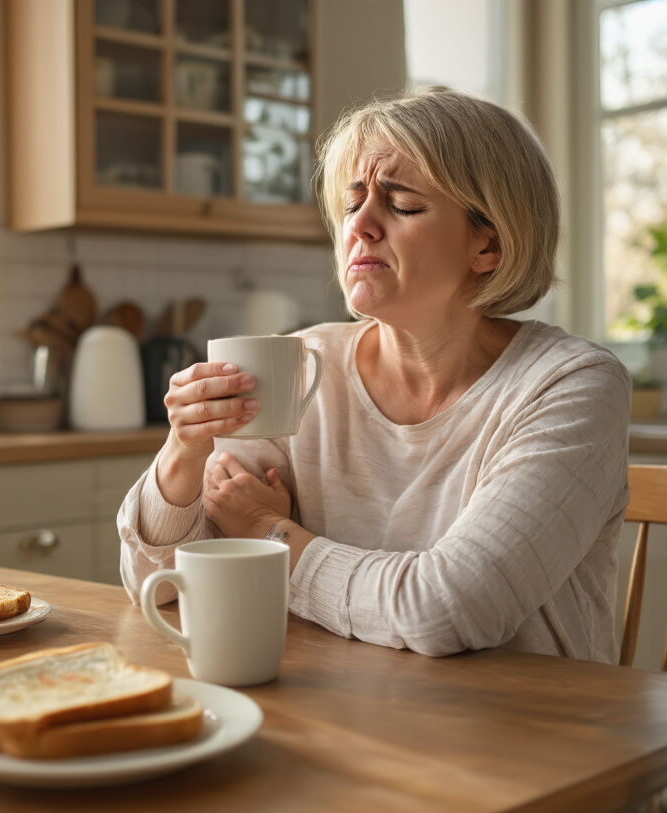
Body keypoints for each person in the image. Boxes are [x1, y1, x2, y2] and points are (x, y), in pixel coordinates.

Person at [117, 87, 631, 661]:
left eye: (402, 204)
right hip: (340, 710)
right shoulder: (302, 364)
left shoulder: (571, 385)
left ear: (488, 244)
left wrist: (269, 533)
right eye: (351, 202)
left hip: (525, 732)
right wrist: (184, 452)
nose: (359, 225)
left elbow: (448, 610)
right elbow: (154, 586)